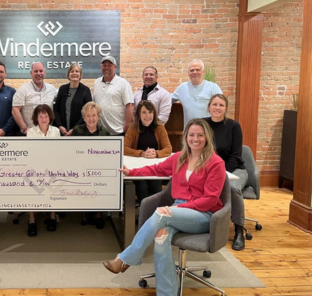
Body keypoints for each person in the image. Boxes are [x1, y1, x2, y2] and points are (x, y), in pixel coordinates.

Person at [104, 118, 226, 296]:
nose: (195, 139)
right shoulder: (178, 158)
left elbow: (209, 200)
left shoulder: (215, 163)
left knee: (162, 213)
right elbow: (156, 169)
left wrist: (182, 207)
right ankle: (167, 293)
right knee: (161, 237)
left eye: (200, 135)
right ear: (186, 137)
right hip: (178, 211)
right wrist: (132, 172)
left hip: (203, 214)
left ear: (207, 137)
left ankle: (125, 259)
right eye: (191, 134)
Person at [204, 94, 248, 251]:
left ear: (226, 108)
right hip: (208, 169)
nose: (217, 108)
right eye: (214, 104)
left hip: (234, 169)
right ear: (209, 107)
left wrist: (221, 173)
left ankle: (238, 231)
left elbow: (236, 155)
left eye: (221, 105)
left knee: (233, 188)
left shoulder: (233, 126)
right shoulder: (202, 124)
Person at [71, 101, 110, 228]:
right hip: (79, 167)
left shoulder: (104, 132)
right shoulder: (77, 131)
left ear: (98, 116)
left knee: (98, 179)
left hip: (99, 168)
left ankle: (97, 212)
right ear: (84, 117)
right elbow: (70, 152)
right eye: (88, 116)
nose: (91, 119)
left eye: (94, 115)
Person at [124, 100, 172, 203]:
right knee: (142, 186)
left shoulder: (160, 127)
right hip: (138, 167)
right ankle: (143, 211)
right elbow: (124, 148)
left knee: (155, 184)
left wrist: (156, 153)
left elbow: (168, 148)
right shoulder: (133, 127)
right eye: (144, 112)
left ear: (154, 114)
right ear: (139, 114)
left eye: (150, 112)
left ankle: (155, 213)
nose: (147, 116)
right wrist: (141, 153)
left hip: (155, 167)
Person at [25, 104, 60, 236]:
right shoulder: (31, 132)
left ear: (50, 117)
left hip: (52, 166)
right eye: (41, 116)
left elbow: (57, 151)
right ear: (36, 118)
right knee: (31, 186)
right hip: (35, 167)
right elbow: (31, 152)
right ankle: (31, 218)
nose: (44, 119)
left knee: (54, 183)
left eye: (46, 116)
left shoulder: (56, 131)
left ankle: (52, 215)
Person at [171, 59, 222, 128]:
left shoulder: (213, 87)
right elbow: (167, 99)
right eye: (192, 70)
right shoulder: (182, 88)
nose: (194, 72)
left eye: (198, 70)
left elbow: (222, 106)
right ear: (188, 73)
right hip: (189, 132)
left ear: (203, 72)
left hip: (208, 130)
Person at [92, 55, 134, 135]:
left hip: (118, 131)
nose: (106, 67)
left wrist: (127, 125)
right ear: (101, 67)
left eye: (109, 65)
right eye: (104, 65)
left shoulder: (123, 83)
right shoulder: (96, 82)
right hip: (101, 131)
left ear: (115, 67)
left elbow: (130, 106)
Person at [12, 62, 57, 135]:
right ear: (31, 73)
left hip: (48, 134)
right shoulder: (23, 90)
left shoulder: (52, 89)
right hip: (29, 134)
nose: (39, 73)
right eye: (36, 71)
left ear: (44, 73)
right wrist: (24, 128)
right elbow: (15, 110)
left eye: (41, 71)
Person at [53, 63, 92, 136]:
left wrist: (75, 129)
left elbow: (88, 112)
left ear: (80, 75)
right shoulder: (62, 89)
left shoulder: (85, 90)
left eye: (77, 71)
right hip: (62, 131)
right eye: (72, 71)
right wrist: (59, 126)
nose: (74, 73)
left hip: (79, 131)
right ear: (68, 75)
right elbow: (56, 109)